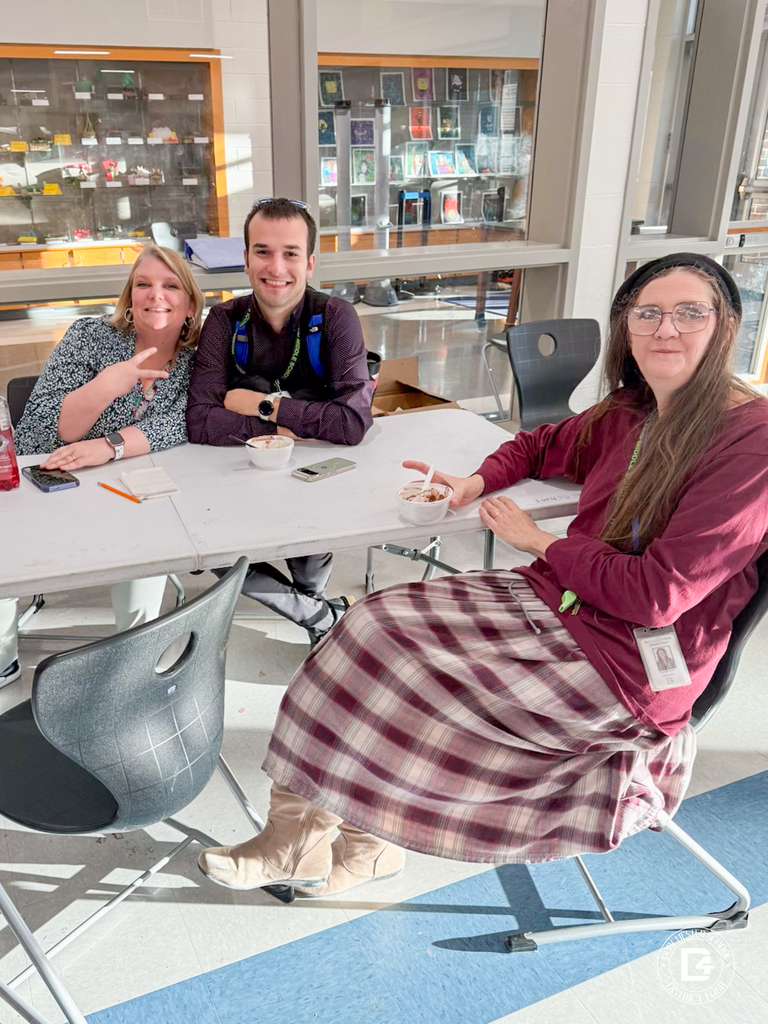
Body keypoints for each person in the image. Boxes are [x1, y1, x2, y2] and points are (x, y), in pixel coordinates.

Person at [197, 253, 768, 897]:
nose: (667, 329)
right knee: (365, 624)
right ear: (627, 328)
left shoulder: (751, 438)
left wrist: (539, 541)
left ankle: (346, 838)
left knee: (403, 681)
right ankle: (319, 841)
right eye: (649, 313)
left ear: (725, 325)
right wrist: (475, 482)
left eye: (691, 312)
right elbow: (538, 445)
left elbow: (657, 594)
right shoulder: (632, 410)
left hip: (628, 664)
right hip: (562, 606)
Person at [0, 244, 203, 687]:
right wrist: (109, 384)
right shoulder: (88, 336)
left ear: (190, 303)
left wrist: (108, 447)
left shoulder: (197, 359)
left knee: (146, 541)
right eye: (144, 285)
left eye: (171, 286)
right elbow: (59, 428)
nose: (156, 296)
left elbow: (184, 422)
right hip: (44, 474)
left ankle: (133, 658)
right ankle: (2, 659)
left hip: (123, 484)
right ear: (130, 298)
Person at [186, 197, 374, 645]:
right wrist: (286, 430)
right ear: (246, 260)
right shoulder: (224, 321)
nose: (277, 266)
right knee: (206, 544)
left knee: (309, 544)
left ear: (309, 263)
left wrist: (260, 405)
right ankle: (320, 620)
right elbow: (199, 420)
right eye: (263, 251)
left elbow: (350, 423)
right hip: (236, 476)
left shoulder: (334, 317)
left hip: (316, 477)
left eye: (290, 253)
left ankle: (313, 612)